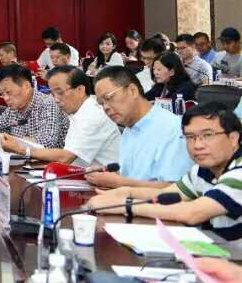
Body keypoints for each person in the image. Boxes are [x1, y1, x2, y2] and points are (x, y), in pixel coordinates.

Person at [86, 103, 242, 241]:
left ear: (233, 138)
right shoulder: (202, 170)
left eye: (207, 135)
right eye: (190, 137)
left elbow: (192, 213)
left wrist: (123, 205)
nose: (197, 145)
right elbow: (166, 195)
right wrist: (122, 192)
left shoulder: (238, 172)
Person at [84, 66, 191, 190]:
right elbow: (134, 177)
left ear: (132, 91)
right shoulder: (129, 129)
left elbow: (177, 190)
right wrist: (108, 176)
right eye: (101, 103)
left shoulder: (173, 129)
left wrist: (119, 182)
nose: (106, 107)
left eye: (108, 98)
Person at [14, 66, 120, 168]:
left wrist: (22, 149)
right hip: (84, 174)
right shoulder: (77, 112)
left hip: (106, 179)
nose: (56, 99)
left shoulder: (92, 114)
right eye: (52, 94)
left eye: (60, 93)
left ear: (80, 90)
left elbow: (66, 157)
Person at [0, 64, 69, 150]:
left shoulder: (48, 104)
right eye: (2, 94)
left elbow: (47, 143)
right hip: (20, 159)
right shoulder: (13, 109)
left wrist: (14, 142)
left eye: (9, 92)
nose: (5, 98)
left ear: (26, 86)